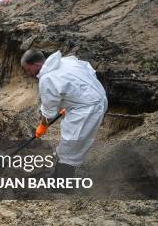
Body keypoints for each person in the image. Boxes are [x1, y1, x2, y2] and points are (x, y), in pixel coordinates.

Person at [20, 49, 108, 178]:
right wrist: (77, 97)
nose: (29, 73)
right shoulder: (67, 61)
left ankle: (63, 186)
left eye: (28, 70)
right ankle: (56, 177)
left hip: (87, 110)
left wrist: (43, 126)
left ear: (37, 65)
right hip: (98, 98)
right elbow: (90, 71)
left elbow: (48, 111)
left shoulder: (47, 78)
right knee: (68, 146)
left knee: (70, 148)